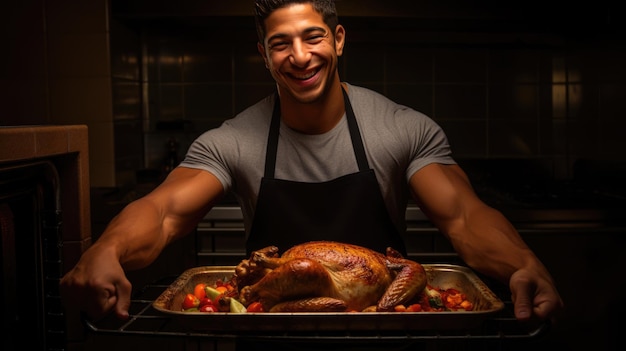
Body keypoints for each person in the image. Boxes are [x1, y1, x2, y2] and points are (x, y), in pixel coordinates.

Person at [60, 0, 563, 336]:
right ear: (264, 54)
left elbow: (465, 217)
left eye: (313, 36)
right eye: (281, 43)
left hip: (385, 343)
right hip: (270, 341)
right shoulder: (233, 139)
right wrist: (107, 249)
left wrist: (522, 261)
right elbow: (164, 211)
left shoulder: (402, 128)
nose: (300, 57)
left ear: (339, 39)